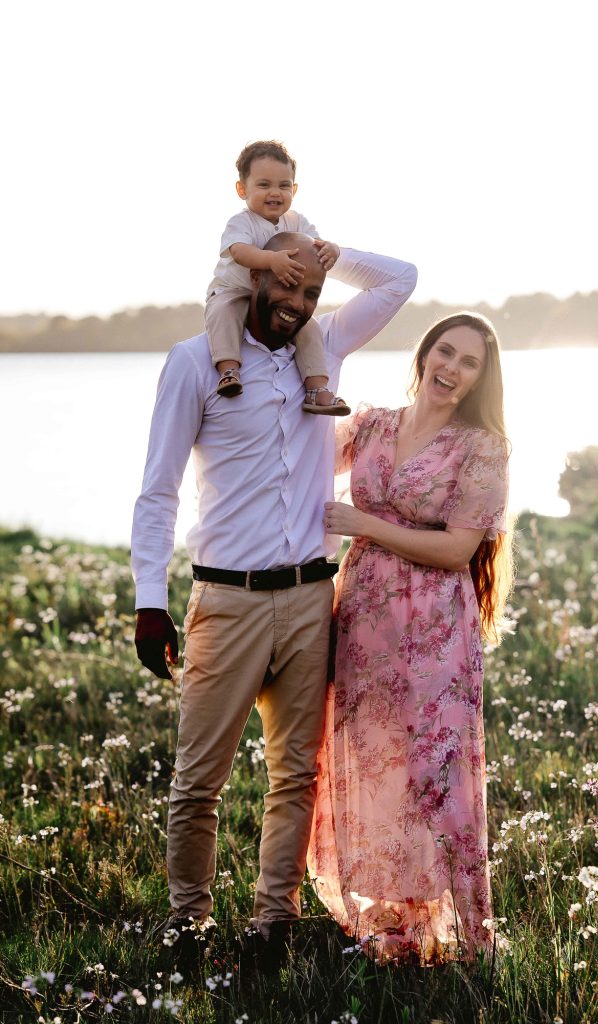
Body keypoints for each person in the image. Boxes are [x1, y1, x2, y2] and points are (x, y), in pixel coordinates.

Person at [132, 232, 417, 970]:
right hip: (224, 601)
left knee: (295, 775)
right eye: (282, 286)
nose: (294, 303)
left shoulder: (324, 357)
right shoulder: (197, 361)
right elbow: (158, 490)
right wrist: (147, 600)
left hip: (307, 601)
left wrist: (320, 252)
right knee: (198, 781)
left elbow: (398, 278)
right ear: (250, 277)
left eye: (308, 293)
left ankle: (272, 926)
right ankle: (189, 927)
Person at [308, 312, 513, 965]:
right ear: (425, 352)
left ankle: (474, 935)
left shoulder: (480, 447)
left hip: (434, 634)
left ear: (481, 378)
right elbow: (297, 456)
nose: (450, 368)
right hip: (363, 625)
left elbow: (457, 549)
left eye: (468, 362)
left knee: (437, 777)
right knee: (378, 768)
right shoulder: (371, 423)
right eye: (444, 351)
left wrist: (360, 521)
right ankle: (396, 922)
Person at [206, 139, 349, 414]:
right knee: (222, 312)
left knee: (309, 328)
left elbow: (315, 243)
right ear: (242, 189)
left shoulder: (296, 221)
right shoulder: (242, 222)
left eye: (284, 185)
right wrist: (271, 260)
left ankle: (317, 388)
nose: (275, 192)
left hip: (275, 300)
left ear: (294, 189)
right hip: (235, 291)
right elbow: (239, 251)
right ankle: (228, 370)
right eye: (264, 185)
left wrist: (332, 249)